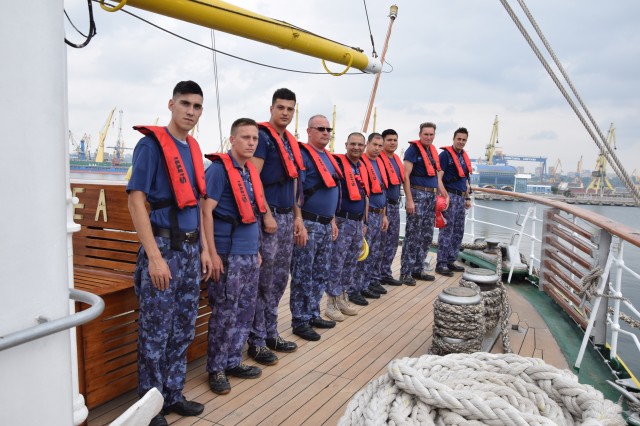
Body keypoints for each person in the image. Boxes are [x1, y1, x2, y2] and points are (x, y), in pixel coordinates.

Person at [127, 80, 211, 426]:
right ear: (171, 104)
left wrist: (204, 249)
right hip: (163, 248)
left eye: (197, 106)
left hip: (190, 250)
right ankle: (150, 406)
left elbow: (197, 204)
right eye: (185, 104)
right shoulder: (151, 146)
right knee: (155, 332)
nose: (191, 111)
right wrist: (154, 257)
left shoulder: (192, 148)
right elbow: (136, 202)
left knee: (183, 328)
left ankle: (173, 394)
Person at [202, 118, 266, 395]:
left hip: (249, 252)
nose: (251, 143)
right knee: (225, 312)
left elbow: (252, 213)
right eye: (245, 137)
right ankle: (216, 368)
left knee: (245, 310)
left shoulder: (249, 171)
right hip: (227, 252)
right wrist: (211, 253)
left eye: (254, 138)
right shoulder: (219, 170)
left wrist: (258, 249)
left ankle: (232, 361)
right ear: (232, 140)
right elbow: (205, 211)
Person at [248, 88, 303, 364]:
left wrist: (298, 217)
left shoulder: (289, 142)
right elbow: (253, 178)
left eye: (290, 109)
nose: (285, 113)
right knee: (264, 280)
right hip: (267, 218)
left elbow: (293, 182)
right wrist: (266, 214)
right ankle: (256, 340)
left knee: (280, 279)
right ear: (271, 108)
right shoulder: (263, 139)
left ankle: (271, 332)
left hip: (286, 216)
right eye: (280, 107)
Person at [290, 115, 341, 341]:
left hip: (326, 223)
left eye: (328, 129)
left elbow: (331, 190)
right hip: (308, 223)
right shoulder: (303, 156)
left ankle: (312, 313)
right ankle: (300, 320)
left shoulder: (328, 158)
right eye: (320, 128)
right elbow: (295, 189)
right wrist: (298, 219)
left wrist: (332, 220)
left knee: (320, 272)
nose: (325, 132)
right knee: (303, 274)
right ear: (309, 131)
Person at [326, 133, 370, 314]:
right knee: (337, 261)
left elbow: (365, 195)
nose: (356, 147)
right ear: (346, 145)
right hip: (342, 220)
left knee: (351, 261)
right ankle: (331, 303)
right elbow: (331, 192)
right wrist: (332, 220)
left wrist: (365, 221)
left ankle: (342, 297)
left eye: (360, 145)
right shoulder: (337, 165)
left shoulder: (361, 167)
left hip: (358, 222)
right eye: (353, 144)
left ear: (364, 147)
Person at [399, 122, 447, 286]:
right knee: (413, 235)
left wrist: (444, 195)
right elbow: (405, 176)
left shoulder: (432, 152)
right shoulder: (412, 151)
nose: (428, 137)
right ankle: (405, 272)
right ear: (420, 134)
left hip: (431, 197)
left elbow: (436, 177)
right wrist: (409, 199)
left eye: (431, 134)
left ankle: (417, 269)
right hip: (417, 195)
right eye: (426, 134)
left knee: (426, 235)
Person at [350, 133, 389, 302]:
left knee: (373, 252)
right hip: (369, 214)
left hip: (379, 214)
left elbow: (383, 191)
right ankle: (354, 289)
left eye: (380, 146)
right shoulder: (362, 164)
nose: (377, 149)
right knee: (362, 253)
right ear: (368, 145)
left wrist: (385, 215)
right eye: (374, 145)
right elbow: (364, 194)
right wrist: (364, 221)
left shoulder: (380, 163)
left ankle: (366, 284)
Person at [436, 127, 472, 276]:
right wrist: (445, 196)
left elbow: (465, 180)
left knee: (458, 231)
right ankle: (441, 263)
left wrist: (468, 197)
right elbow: (438, 178)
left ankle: (451, 260)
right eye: (459, 139)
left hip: (461, 197)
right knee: (447, 231)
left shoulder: (464, 156)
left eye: (464, 140)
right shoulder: (445, 155)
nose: (461, 142)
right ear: (453, 138)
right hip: (450, 196)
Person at [378, 129, 405, 286]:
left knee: (393, 240)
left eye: (395, 140)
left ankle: (385, 272)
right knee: (380, 241)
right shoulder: (379, 160)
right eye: (389, 140)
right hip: (384, 205)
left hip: (395, 204)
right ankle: (374, 276)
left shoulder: (396, 159)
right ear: (383, 142)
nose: (393, 143)